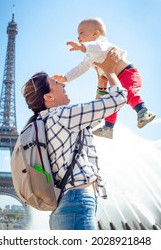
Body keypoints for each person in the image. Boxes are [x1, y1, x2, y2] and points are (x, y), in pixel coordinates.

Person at [22, 49, 127, 230]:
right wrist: (110, 71)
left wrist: (101, 87)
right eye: (57, 83)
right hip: (77, 204)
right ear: (48, 96)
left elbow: (92, 120)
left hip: (65, 206)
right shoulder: (63, 115)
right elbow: (119, 99)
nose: (64, 85)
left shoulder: (44, 121)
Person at [53, 18, 156, 139]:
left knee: (128, 93)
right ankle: (108, 127)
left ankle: (143, 111)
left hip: (127, 73)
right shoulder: (89, 56)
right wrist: (66, 77)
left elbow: (96, 46)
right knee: (112, 101)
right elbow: (80, 68)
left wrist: (82, 47)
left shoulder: (102, 43)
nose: (78, 36)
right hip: (116, 78)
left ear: (96, 34)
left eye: (81, 32)